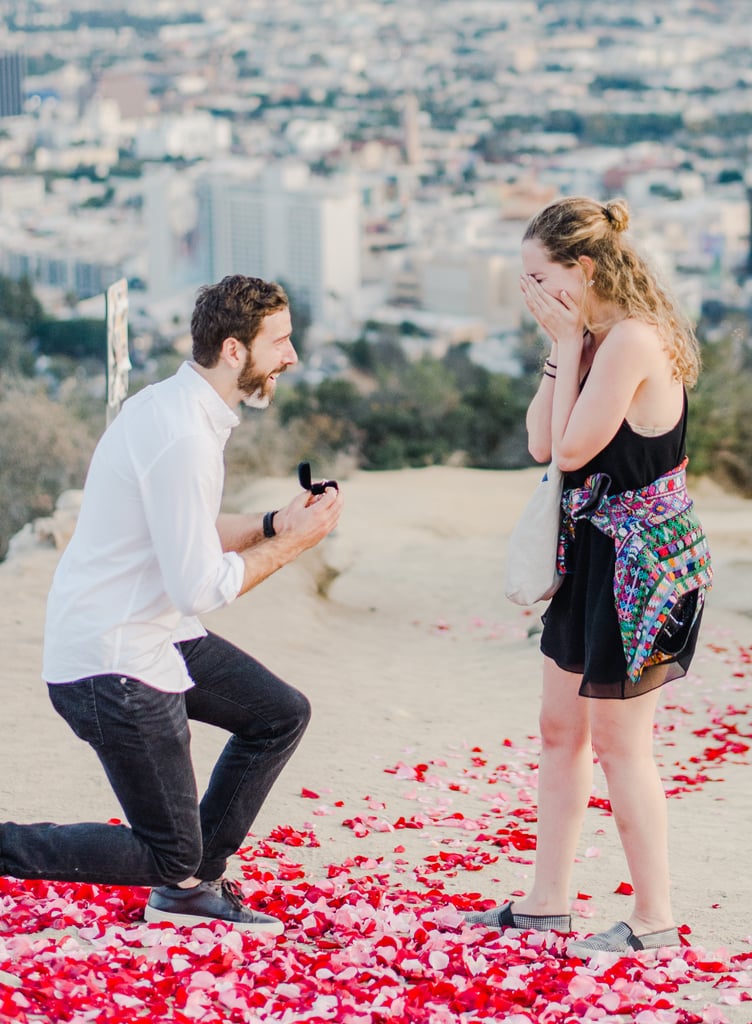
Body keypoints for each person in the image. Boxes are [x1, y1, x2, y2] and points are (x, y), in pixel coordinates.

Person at [0, 275, 343, 934]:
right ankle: (177, 877)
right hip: (112, 661)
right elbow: (202, 586)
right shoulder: (183, 435)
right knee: (166, 852)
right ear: (235, 351)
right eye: (281, 340)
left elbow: (187, 531)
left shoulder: (172, 407)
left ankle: (192, 886)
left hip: (153, 634)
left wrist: (274, 522)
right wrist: (295, 545)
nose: (292, 356)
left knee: (278, 714)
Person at [463, 196, 713, 956]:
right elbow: (543, 440)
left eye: (541, 277)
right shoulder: (589, 338)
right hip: (593, 552)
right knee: (559, 729)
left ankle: (655, 915)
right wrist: (563, 347)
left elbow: (573, 451)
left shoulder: (634, 340)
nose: (531, 293)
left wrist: (572, 345)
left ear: (584, 268)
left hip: (642, 562)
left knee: (619, 743)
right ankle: (547, 900)